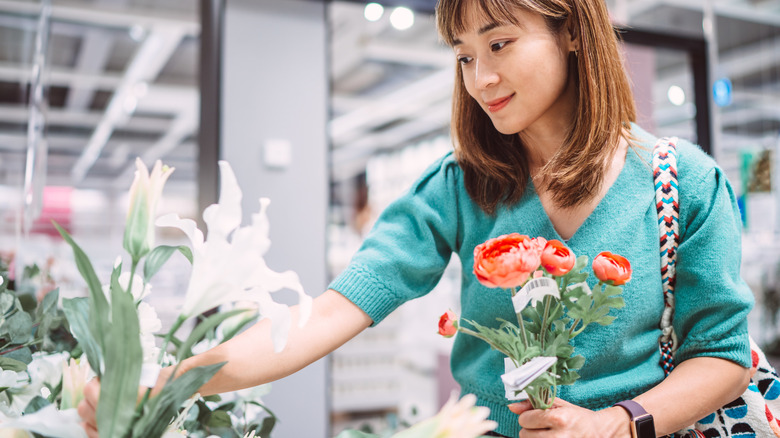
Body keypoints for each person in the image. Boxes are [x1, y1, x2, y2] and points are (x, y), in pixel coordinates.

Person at [79, 0, 754, 436]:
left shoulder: (683, 181)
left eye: (499, 43)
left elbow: (721, 357)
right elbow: (325, 315)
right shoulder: (461, 189)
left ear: (573, 31)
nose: (479, 76)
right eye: (463, 54)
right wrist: (166, 382)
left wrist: (615, 424)